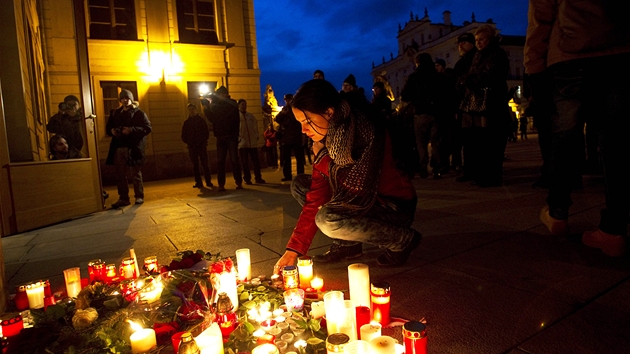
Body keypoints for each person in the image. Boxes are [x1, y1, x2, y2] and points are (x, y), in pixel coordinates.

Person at [273, 79, 421, 271]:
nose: (303, 129)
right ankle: (348, 245)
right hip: (361, 199)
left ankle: (402, 239)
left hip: (392, 205)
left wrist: (323, 158)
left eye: (307, 121)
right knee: (301, 185)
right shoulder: (328, 137)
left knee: (327, 219)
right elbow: (317, 195)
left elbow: (358, 186)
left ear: (329, 112)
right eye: (300, 123)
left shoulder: (365, 129)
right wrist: (294, 250)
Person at [525, 0, 630, 256]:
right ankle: (614, 229)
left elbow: (541, 17)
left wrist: (534, 67)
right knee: (615, 142)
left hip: (570, 56)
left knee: (564, 137)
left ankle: (558, 213)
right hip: (618, 52)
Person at [457, 24, 510, 187]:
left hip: (492, 102)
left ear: (490, 39)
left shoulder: (497, 54)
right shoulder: (478, 56)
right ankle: (482, 175)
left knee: (492, 141)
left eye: (482, 39)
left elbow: (491, 75)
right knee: (481, 141)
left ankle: (492, 176)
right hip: (478, 103)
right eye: (477, 40)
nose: (478, 43)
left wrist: (469, 80)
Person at [400, 52, 449, 179]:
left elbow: (405, 95)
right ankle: (436, 168)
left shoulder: (414, 77)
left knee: (421, 142)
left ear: (418, 63)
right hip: (437, 113)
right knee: (436, 142)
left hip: (420, 113)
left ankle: (423, 166)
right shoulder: (438, 76)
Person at [105, 89, 152, 208]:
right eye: (123, 99)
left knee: (135, 173)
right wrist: (112, 131)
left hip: (133, 147)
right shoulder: (115, 113)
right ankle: (123, 198)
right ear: (120, 100)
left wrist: (131, 130)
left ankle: (139, 196)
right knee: (120, 174)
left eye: (127, 98)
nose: (125, 101)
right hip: (118, 147)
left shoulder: (139, 113)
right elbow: (108, 127)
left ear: (131, 99)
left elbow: (147, 128)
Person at [201, 86, 243, 191]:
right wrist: (206, 108)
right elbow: (212, 119)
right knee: (220, 161)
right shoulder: (216, 105)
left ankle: (238, 182)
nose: (219, 96)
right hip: (220, 136)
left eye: (220, 94)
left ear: (224, 94)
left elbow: (236, 120)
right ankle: (221, 184)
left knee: (234, 160)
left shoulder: (231, 104)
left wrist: (236, 134)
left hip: (231, 135)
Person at [453, 32, 478, 178]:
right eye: (459, 43)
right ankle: (469, 168)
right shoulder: (462, 61)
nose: (460, 46)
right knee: (467, 138)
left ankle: (471, 169)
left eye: (464, 43)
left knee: (472, 138)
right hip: (463, 104)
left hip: (471, 103)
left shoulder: (474, 59)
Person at [181, 103, 213, 189]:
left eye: (192, 109)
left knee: (204, 164)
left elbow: (206, 132)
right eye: (189, 109)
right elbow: (184, 135)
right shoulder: (187, 123)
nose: (191, 111)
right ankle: (198, 182)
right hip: (192, 146)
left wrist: (202, 141)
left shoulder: (201, 121)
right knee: (195, 165)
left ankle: (208, 181)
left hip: (201, 145)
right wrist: (189, 142)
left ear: (195, 110)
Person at [275, 94, 305, 182]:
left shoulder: (296, 109)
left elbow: (300, 121)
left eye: (289, 100)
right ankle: (287, 175)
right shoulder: (284, 109)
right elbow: (277, 119)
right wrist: (283, 114)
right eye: (286, 100)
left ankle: (300, 175)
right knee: (286, 159)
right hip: (286, 138)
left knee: (299, 158)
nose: (287, 101)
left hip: (296, 137)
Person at [237, 99, 265, 184]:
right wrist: (238, 139)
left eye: (245, 104)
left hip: (252, 143)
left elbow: (255, 127)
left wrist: (256, 136)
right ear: (239, 106)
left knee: (256, 162)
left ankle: (258, 177)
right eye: (242, 104)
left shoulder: (250, 116)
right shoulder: (237, 117)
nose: (244, 106)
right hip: (242, 144)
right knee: (245, 163)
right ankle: (247, 179)